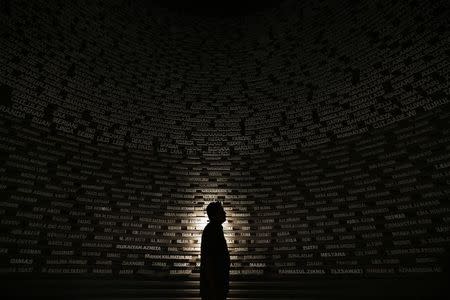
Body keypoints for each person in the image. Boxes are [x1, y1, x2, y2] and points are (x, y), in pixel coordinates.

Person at [200, 201, 230, 300]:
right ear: (215, 215)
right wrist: (212, 287)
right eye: (222, 211)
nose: (225, 213)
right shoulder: (212, 231)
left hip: (216, 286)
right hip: (214, 288)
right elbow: (208, 260)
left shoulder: (215, 229)